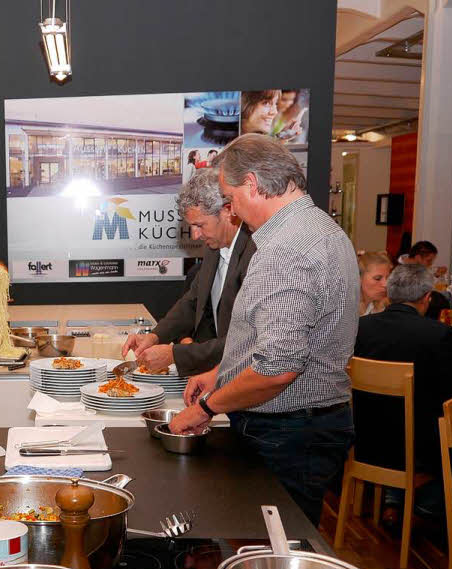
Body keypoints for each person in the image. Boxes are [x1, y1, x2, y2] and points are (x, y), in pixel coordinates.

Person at [170, 134, 358, 526]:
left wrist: (205, 409)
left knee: (272, 550)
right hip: (307, 426)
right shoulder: (320, 227)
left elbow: (278, 368)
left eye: (230, 197)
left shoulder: (285, 249)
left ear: (252, 184)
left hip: (287, 431)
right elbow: (270, 340)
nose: (231, 209)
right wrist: (220, 373)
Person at [353, 265, 452, 525]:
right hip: (415, 446)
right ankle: (429, 508)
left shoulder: (360, 327)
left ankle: (394, 501)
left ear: (389, 295)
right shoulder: (437, 334)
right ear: (426, 299)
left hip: (366, 438)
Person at [121, 167, 256, 376]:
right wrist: (154, 337)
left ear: (228, 211)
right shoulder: (214, 245)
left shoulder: (255, 254)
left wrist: (176, 354)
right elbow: (192, 302)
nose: (194, 235)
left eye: (200, 225)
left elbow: (246, 342)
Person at [358, 251, 391, 315]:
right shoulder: (345, 309)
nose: (386, 284)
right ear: (359, 278)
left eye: (388, 278)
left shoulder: (386, 307)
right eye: (378, 278)